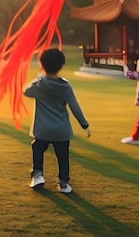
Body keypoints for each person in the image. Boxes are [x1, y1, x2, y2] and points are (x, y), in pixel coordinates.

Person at [23, 48, 91, 194]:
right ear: (61, 65)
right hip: (62, 130)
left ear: (42, 64)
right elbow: (74, 107)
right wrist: (84, 125)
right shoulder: (65, 86)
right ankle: (64, 183)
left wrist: (38, 78)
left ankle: (38, 175)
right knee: (62, 156)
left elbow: (26, 91)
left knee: (38, 149)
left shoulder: (39, 84)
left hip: (42, 130)